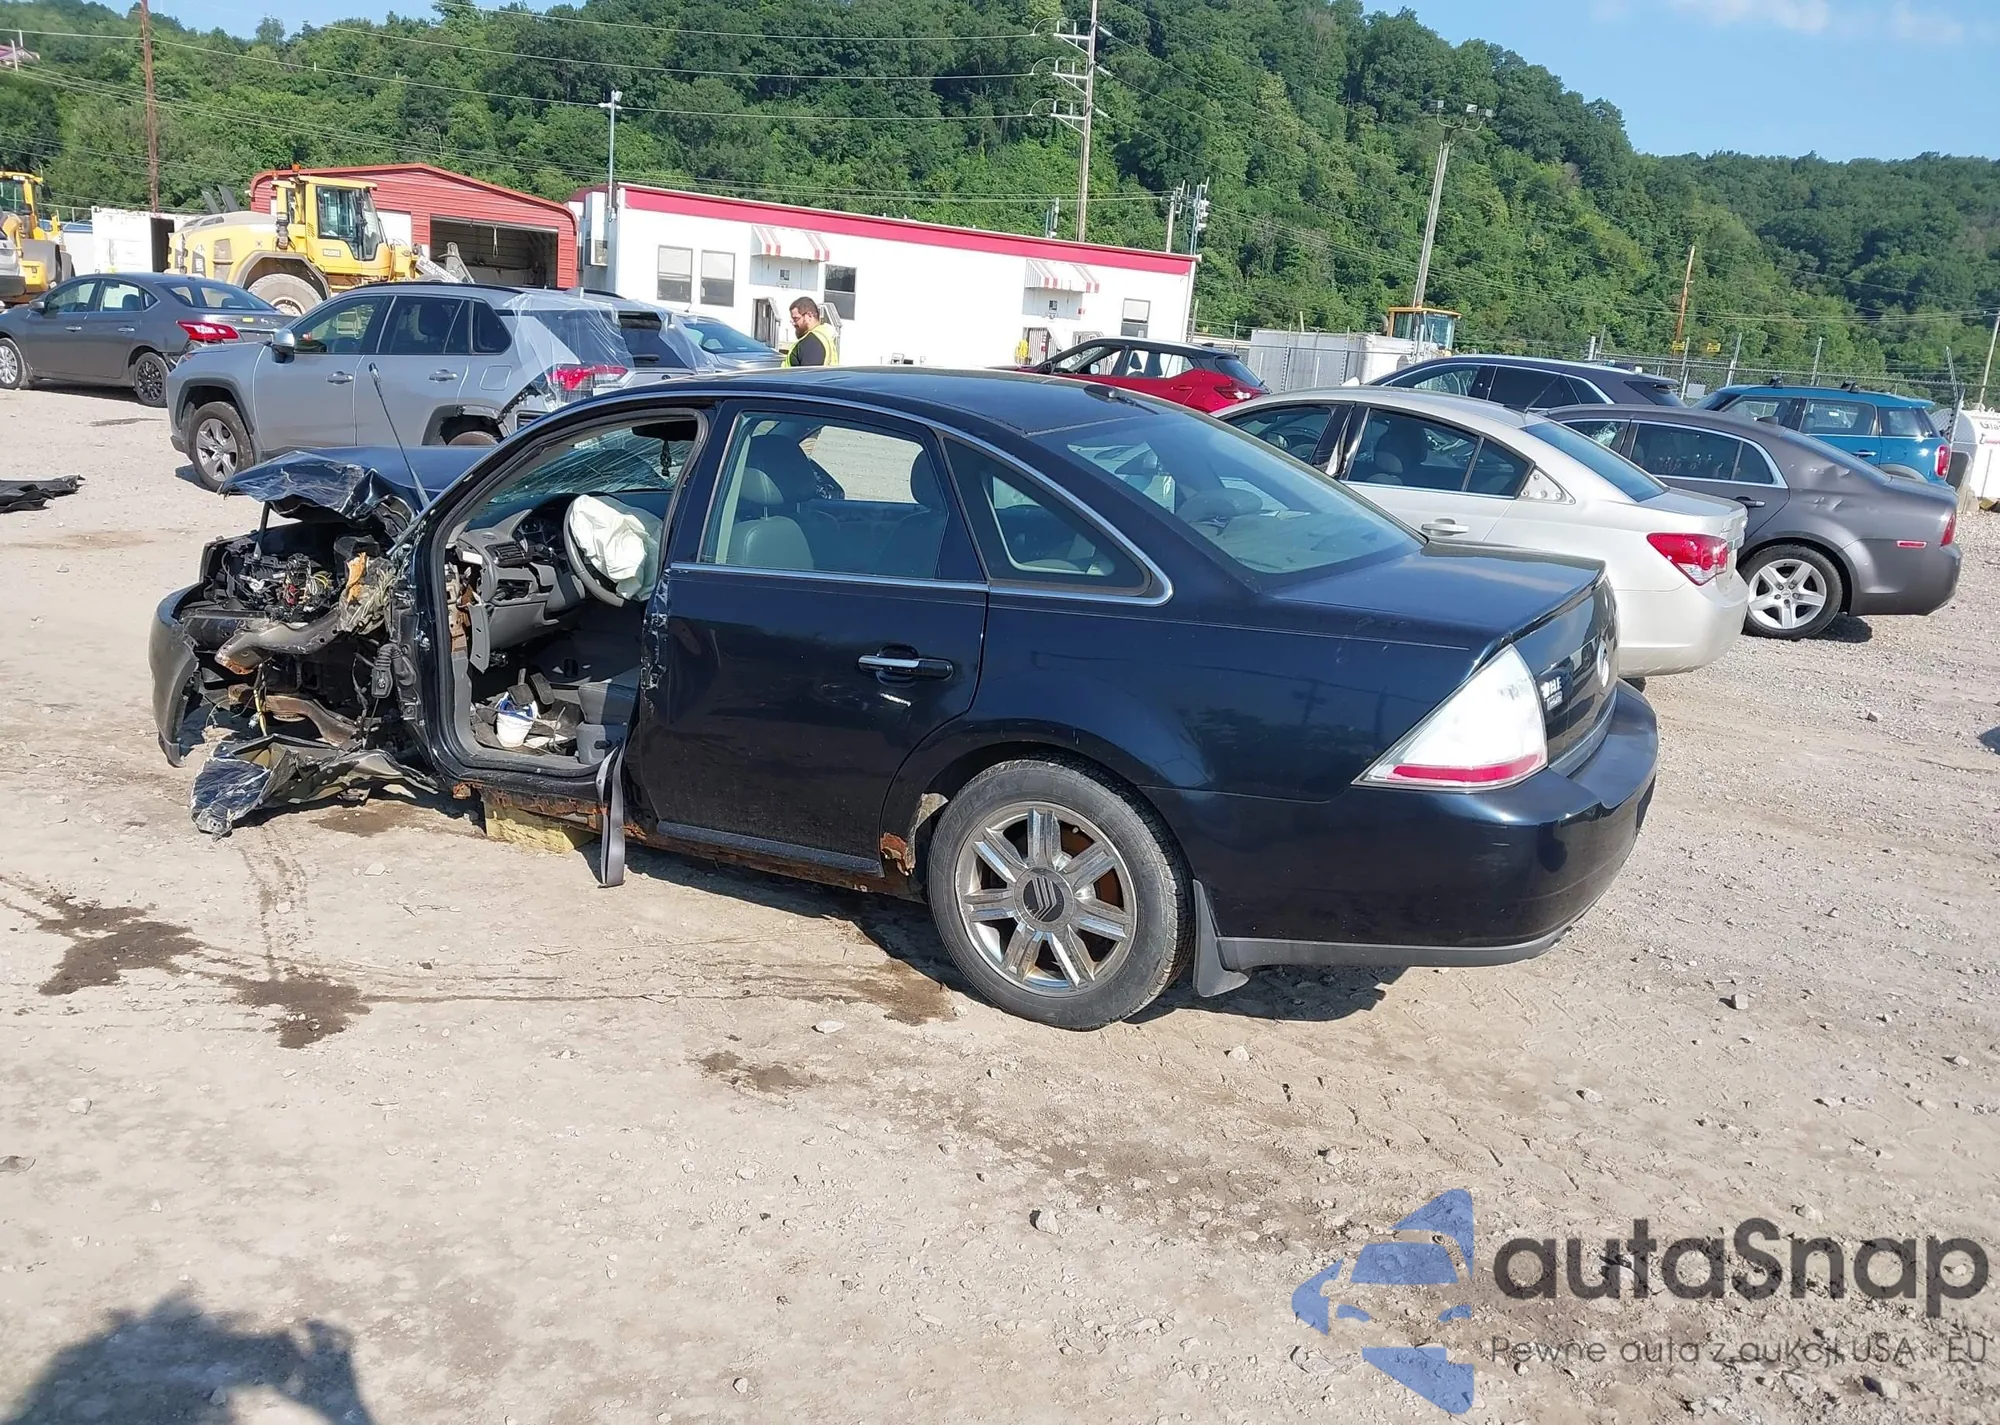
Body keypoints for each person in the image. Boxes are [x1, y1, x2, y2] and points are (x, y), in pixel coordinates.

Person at [783, 296, 839, 367]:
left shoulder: (812, 343)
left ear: (809, 316)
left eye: (796, 319)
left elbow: (809, 373)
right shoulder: (822, 336)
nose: (793, 323)